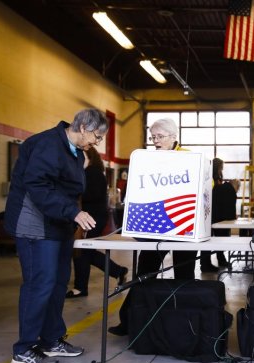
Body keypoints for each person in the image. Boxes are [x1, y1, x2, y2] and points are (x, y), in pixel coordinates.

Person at [4, 108, 109, 363]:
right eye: (97, 136)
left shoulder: (75, 152)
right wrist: (73, 212)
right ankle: (24, 349)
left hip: (58, 224)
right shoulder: (46, 144)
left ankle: (51, 340)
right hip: (34, 225)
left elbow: (70, 189)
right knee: (40, 284)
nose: (98, 142)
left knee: (59, 282)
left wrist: (74, 216)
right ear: (83, 127)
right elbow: (38, 186)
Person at [108, 118, 198, 336]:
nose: (155, 141)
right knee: (145, 273)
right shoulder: (148, 159)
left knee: (183, 275)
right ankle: (129, 321)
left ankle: (185, 322)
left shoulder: (190, 157)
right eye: (153, 137)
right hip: (156, 226)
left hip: (184, 227)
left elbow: (205, 185)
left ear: (174, 136)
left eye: (160, 137)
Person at [66, 147, 128, 298]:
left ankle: (80, 288)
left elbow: (91, 196)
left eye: (82, 157)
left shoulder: (92, 173)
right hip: (90, 217)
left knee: (81, 252)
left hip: (92, 218)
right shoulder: (88, 173)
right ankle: (118, 271)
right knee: (87, 251)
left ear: (90, 158)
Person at [200, 158, 239, 272]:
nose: (222, 169)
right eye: (221, 167)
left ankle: (220, 259)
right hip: (210, 213)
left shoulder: (216, 178)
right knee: (207, 239)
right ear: (217, 167)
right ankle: (205, 264)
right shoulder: (210, 178)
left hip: (216, 213)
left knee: (219, 238)